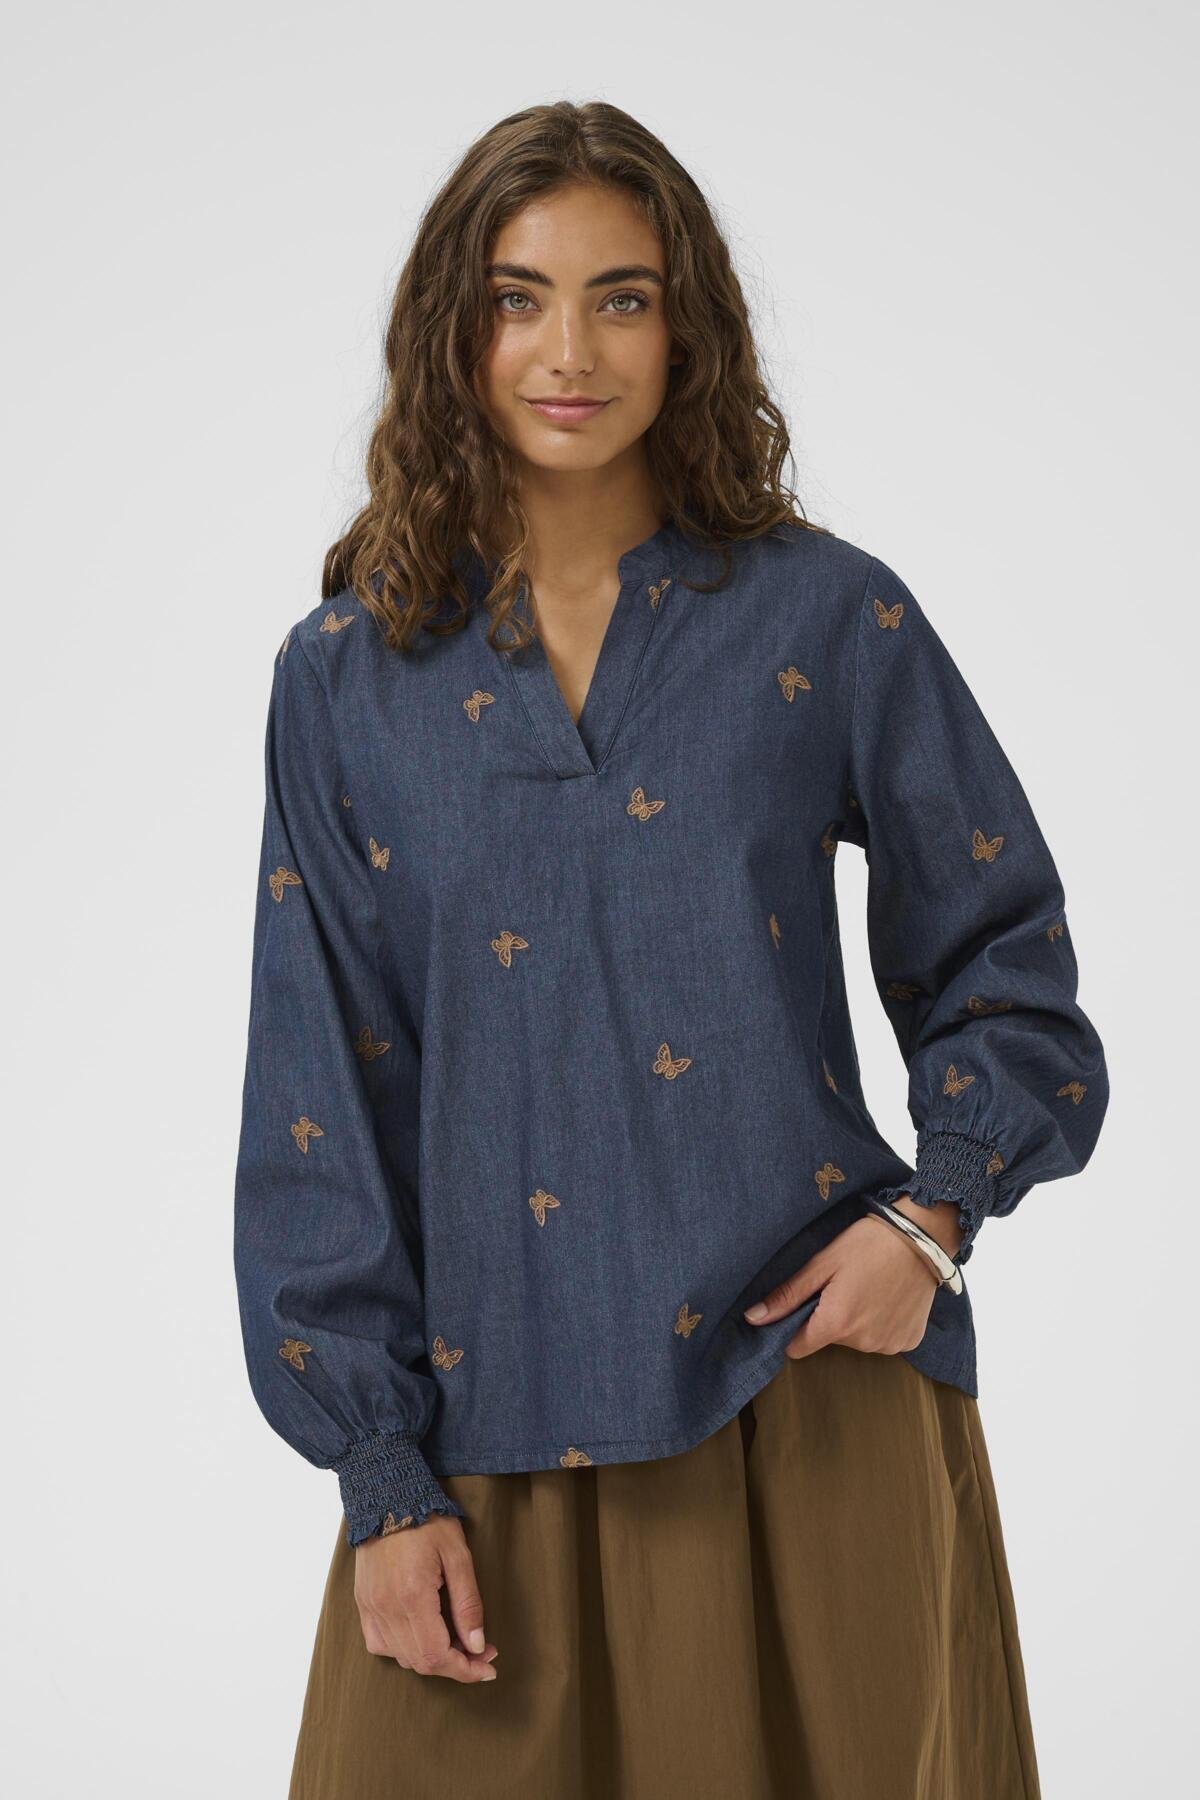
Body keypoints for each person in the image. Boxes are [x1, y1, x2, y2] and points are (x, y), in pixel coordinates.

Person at [232, 99, 1109, 1800]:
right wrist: (379, 1480)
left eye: (621, 298)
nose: (571, 352)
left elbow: (1008, 958)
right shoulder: (346, 677)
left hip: (813, 1409)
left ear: (687, 325)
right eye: (520, 298)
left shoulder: (824, 617)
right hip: (485, 1433)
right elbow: (316, 1093)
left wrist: (931, 1222)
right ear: (453, 329)